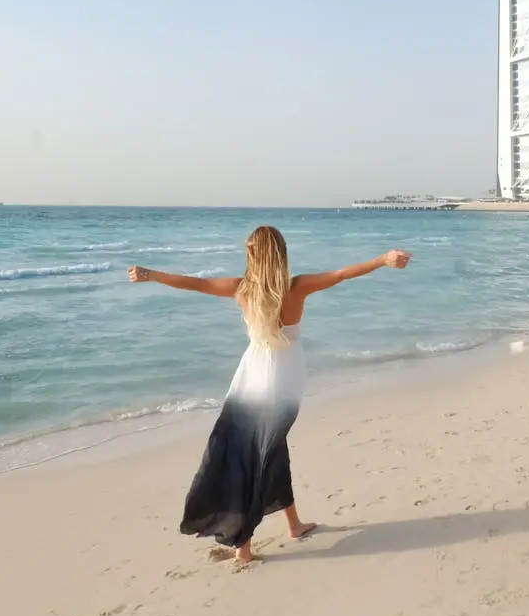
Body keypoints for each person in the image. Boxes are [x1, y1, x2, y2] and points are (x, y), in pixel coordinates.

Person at [127, 226, 411, 563]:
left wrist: (150, 275)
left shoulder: (241, 289)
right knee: (265, 453)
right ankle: (263, 538)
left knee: (255, 454)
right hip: (284, 385)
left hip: (251, 379)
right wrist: (383, 259)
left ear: (252, 254)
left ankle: (265, 535)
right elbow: (342, 274)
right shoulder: (297, 287)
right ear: (282, 253)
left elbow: (194, 283)